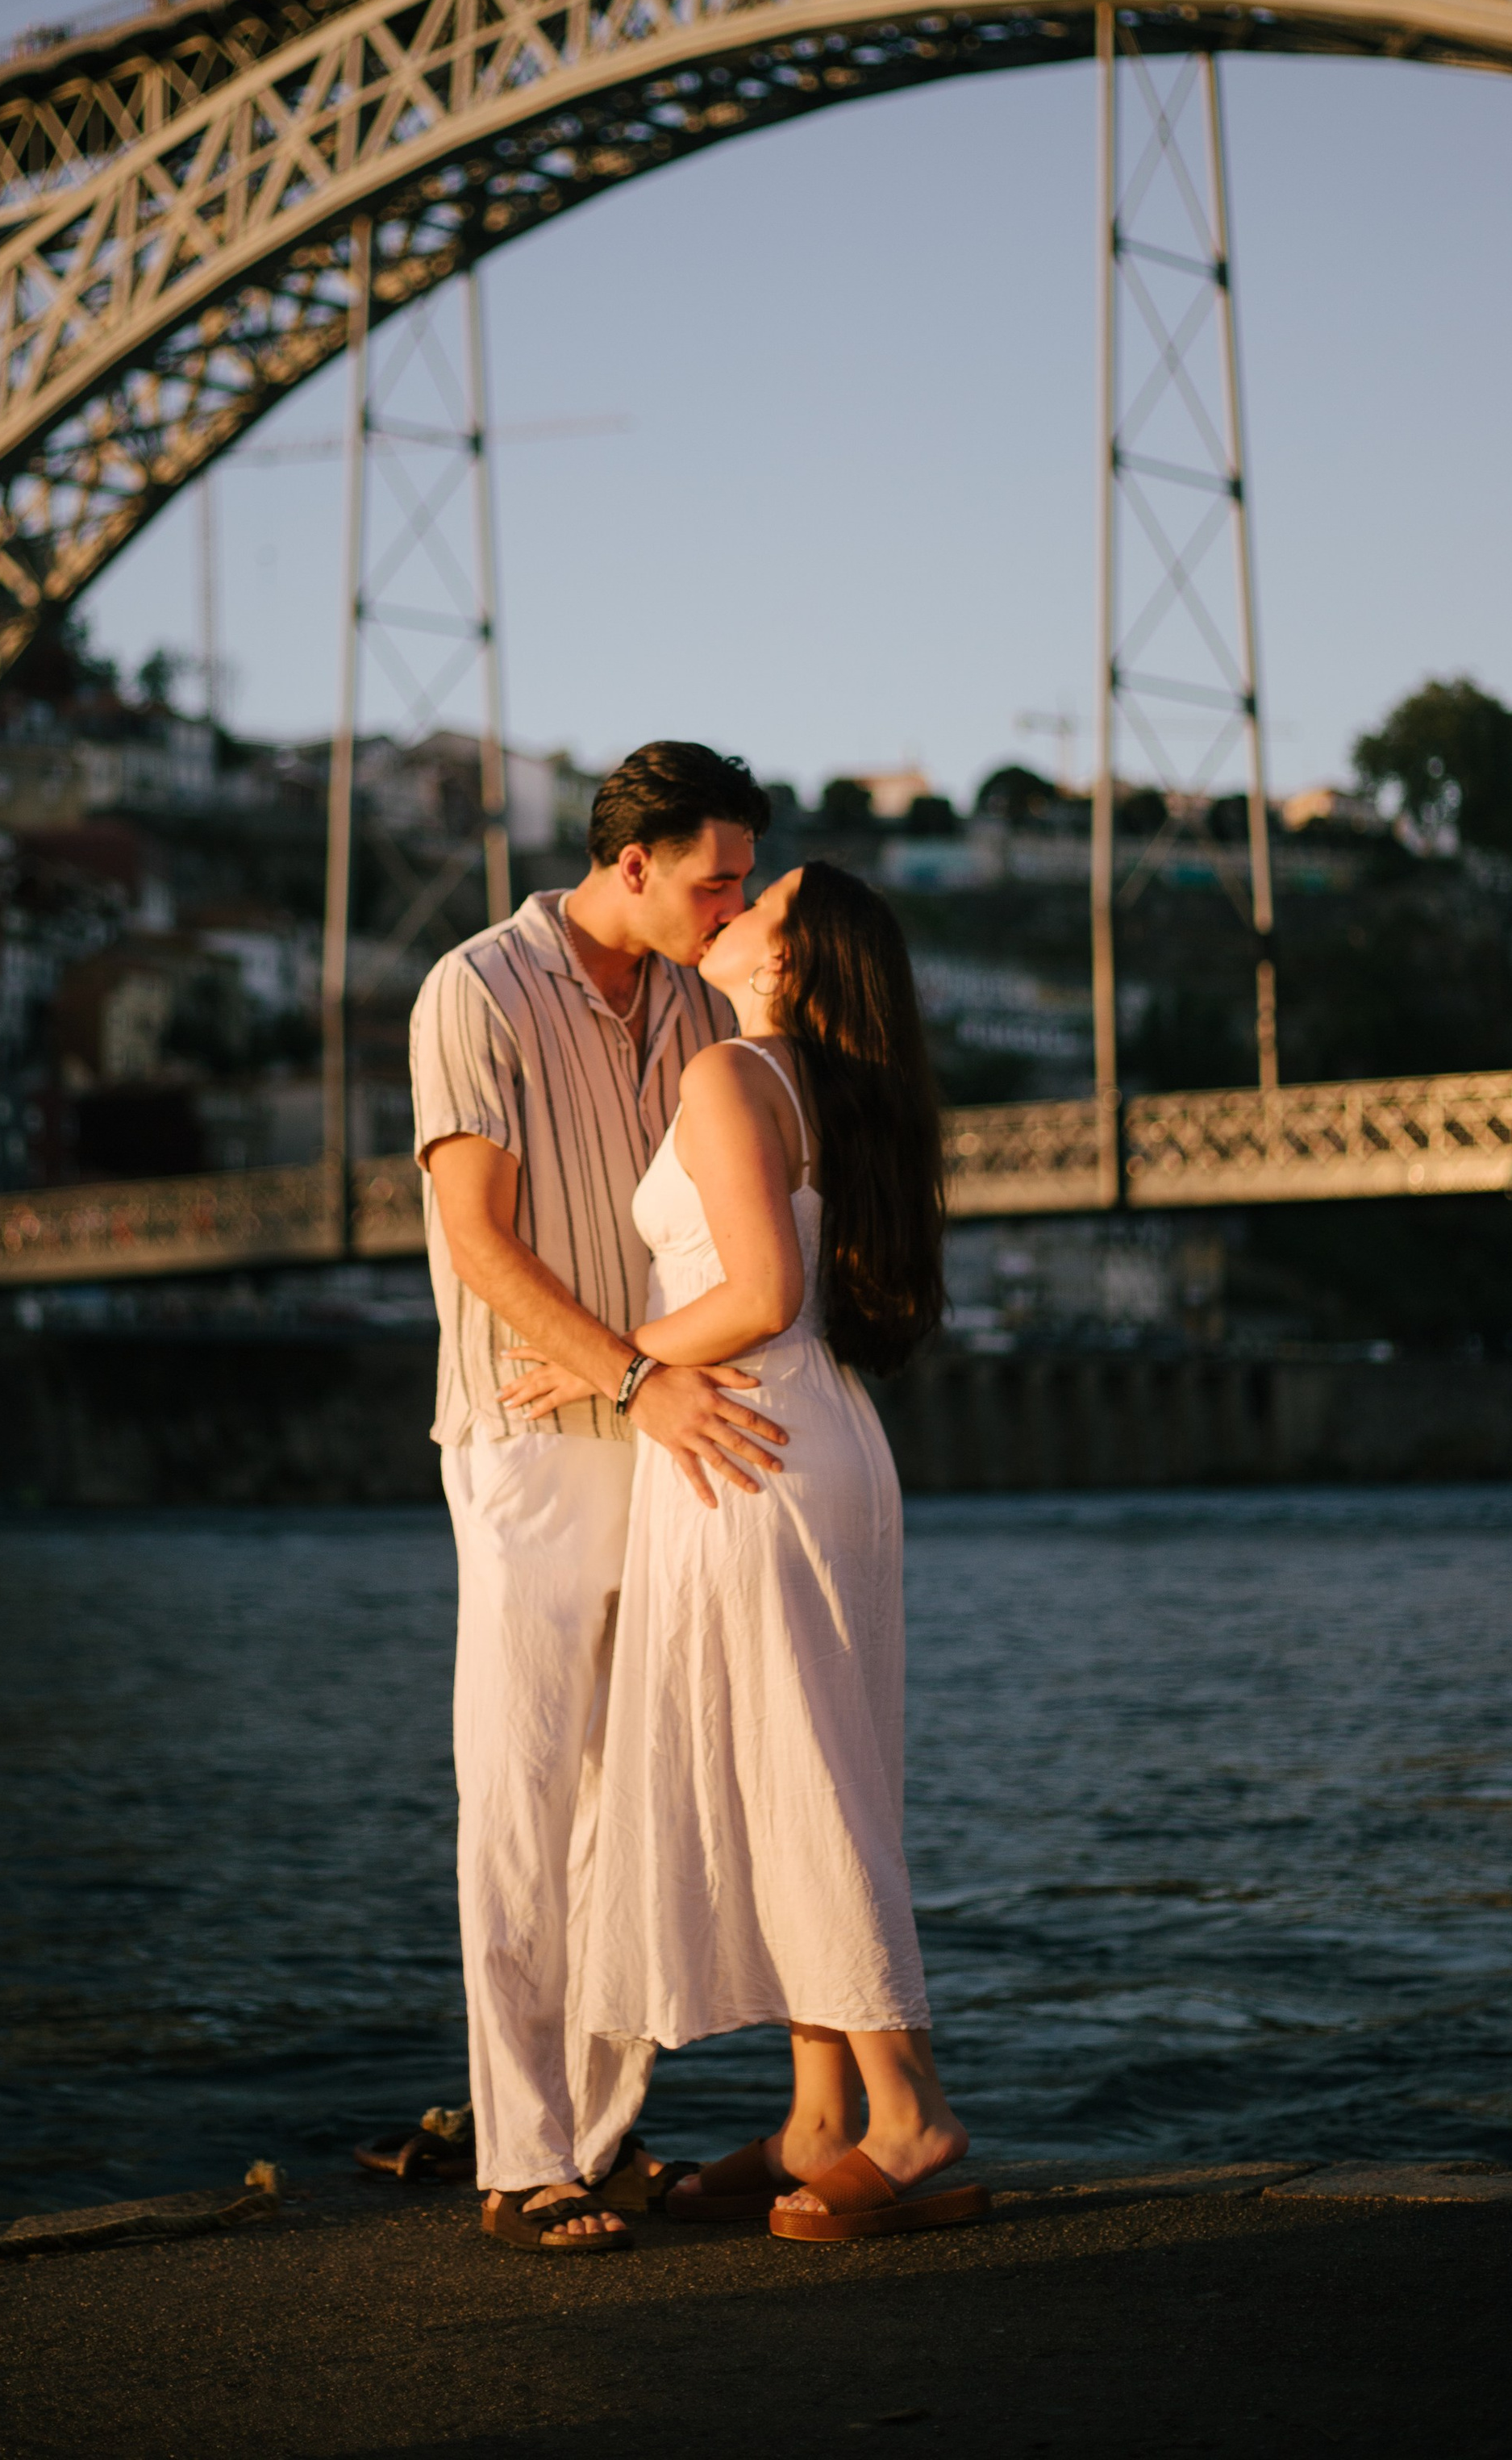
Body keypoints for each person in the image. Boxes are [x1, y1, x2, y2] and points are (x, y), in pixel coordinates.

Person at [514, 860, 984, 2243]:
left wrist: (606, 1358)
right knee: (807, 1762)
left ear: (792, 962)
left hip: (749, 1439)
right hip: (810, 1435)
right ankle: (820, 2117)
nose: (731, 912)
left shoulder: (733, 1077)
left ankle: (908, 2114)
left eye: (760, 904)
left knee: (801, 1773)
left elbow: (761, 1295)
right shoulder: (827, 1090)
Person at [407, 740, 784, 2254]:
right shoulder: (476, 990)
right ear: (630, 863)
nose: (731, 900)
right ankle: (519, 2157)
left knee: (640, 1807)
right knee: (519, 1793)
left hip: (674, 1429)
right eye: (715, 877)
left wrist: (655, 1384)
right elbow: (480, 1250)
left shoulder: (701, 1006)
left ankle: (599, 2134)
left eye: (746, 878)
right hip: (538, 1439)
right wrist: (633, 1378)